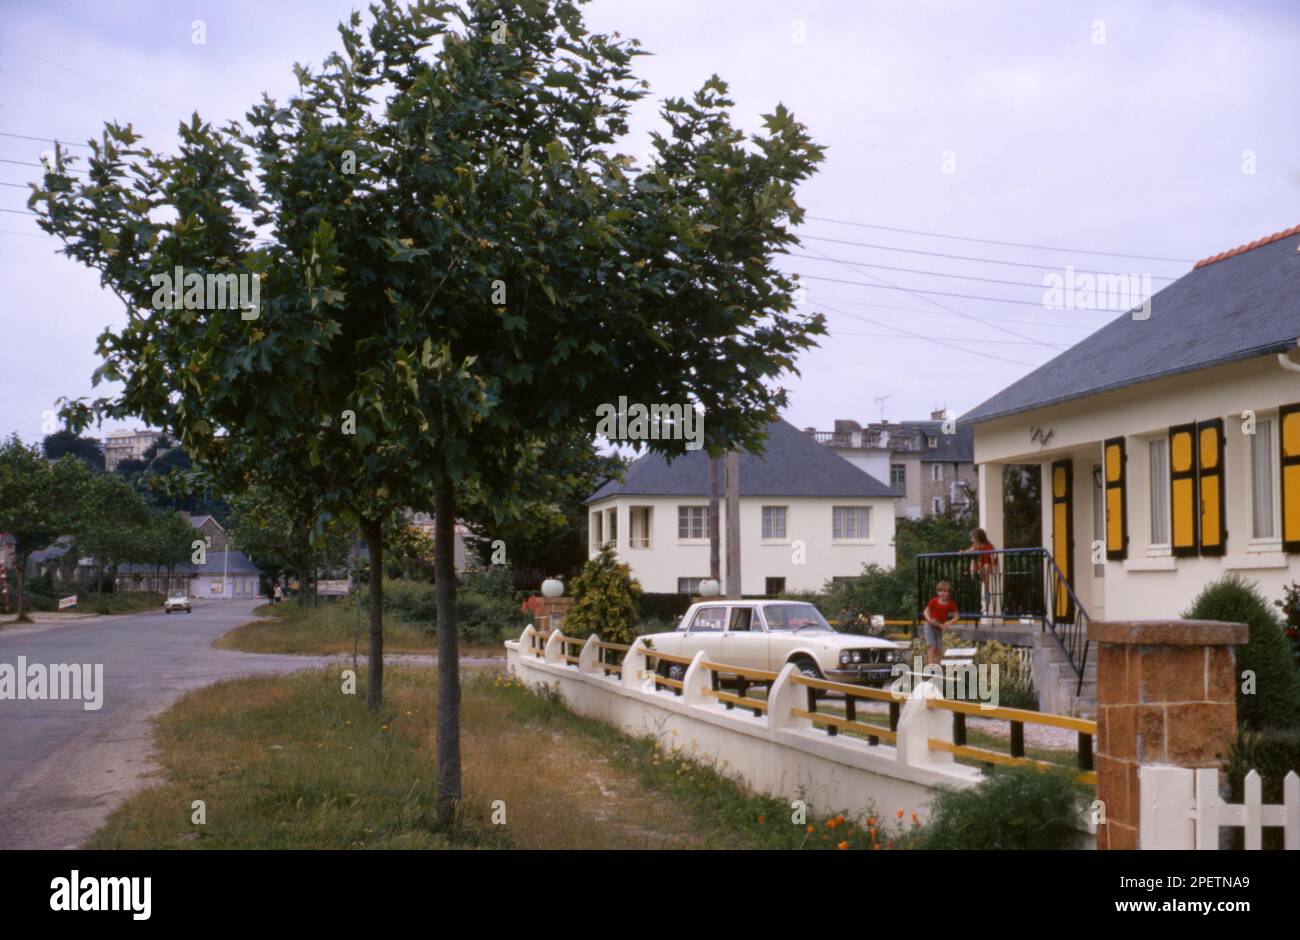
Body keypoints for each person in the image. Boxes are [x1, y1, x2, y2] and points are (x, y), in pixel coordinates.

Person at [960, 527, 999, 617]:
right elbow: (968, 551)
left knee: (986, 580)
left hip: (987, 566)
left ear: (978, 538)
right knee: (974, 560)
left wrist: (993, 568)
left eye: (973, 537)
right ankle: (973, 574)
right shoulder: (975, 547)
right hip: (980, 567)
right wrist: (962, 552)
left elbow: (993, 559)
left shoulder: (988, 546)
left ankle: (986, 602)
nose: (971, 539)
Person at [922, 580, 959, 667]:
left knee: (939, 649)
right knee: (932, 646)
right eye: (941, 591)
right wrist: (929, 620)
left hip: (939, 628)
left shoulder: (951, 604)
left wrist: (947, 623)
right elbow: (925, 612)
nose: (943, 593)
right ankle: (930, 665)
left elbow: (956, 617)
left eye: (945, 591)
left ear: (948, 592)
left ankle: (937, 666)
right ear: (938, 592)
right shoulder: (933, 601)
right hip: (929, 627)